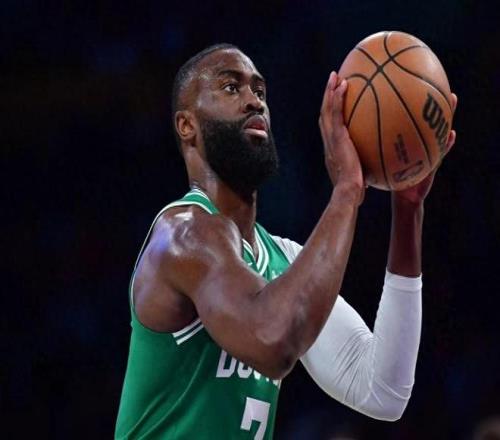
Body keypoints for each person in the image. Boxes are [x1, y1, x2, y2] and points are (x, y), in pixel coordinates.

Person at [115, 43, 457, 439]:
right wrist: (347, 191)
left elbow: (383, 391)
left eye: (260, 91)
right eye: (231, 88)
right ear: (186, 125)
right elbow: (272, 340)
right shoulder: (182, 234)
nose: (253, 101)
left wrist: (409, 210)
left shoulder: (281, 260)